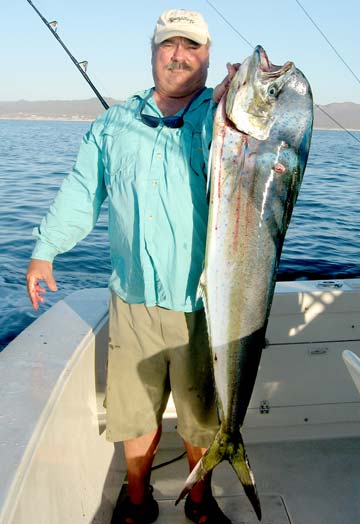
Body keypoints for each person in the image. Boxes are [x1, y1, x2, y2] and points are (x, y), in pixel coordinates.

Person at [26, 9, 238, 524]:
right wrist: (44, 249)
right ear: (153, 53)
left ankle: (198, 499)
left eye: (191, 47)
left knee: (200, 419)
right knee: (134, 415)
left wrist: (244, 94)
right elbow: (82, 193)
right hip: (133, 300)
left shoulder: (226, 121)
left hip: (205, 305)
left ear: (208, 57)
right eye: (169, 45)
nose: (179, 55)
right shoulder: (113, 123)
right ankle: (137, 501)